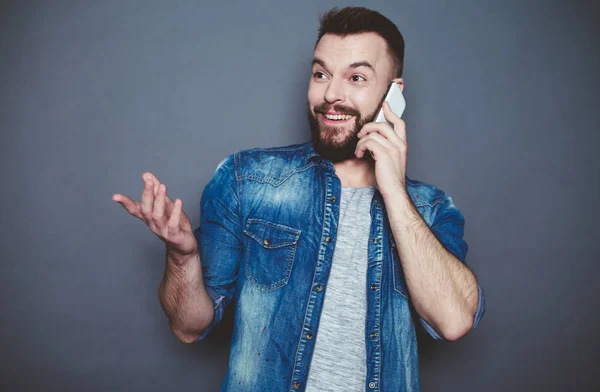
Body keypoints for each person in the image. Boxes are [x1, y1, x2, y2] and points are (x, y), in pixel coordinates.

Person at [113, 6, 485, 392]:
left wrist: (391, 189)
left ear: (394, 93)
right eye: (321, 74)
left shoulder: (430, 209)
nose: (331, 94)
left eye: (356, 77)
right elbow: (189, 328)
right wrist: (182, 257)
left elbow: (454, 321)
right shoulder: (247, 179)